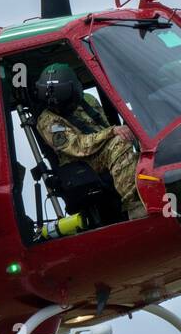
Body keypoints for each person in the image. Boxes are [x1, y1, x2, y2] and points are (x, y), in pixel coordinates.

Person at [33, 63, 146, 220]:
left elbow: (105, 126)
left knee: (140, 134)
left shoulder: (88, 100)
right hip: (81, 162)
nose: (57, 107)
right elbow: (77, 147)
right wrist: (112, 132)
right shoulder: (47, 121)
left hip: (102, 147)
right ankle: (136, 206)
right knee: (120, 143)